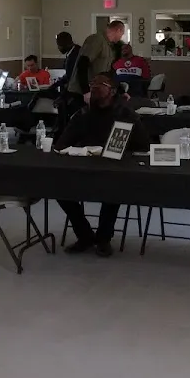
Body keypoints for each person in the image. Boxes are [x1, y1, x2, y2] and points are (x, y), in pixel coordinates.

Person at [55, 74, 150, 257]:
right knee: (59, 189)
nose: (94, 87)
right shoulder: (84, 114)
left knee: (113, 188)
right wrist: (83, 149)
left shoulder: (126, 115)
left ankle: (103, 238)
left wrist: (123, 150)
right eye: (92, 84)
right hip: (84, 167)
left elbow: (143, 146)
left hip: (116, 170)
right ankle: (84, 235)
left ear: (112, 91)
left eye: (100, 84)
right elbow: (62, 143)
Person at [68, 20, 125, 104]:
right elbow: (82, 64)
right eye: (122, 34)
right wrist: (86, 91)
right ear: (118, 30)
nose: (121, 37)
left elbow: (108, 74)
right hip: (81, 93)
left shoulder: (109, 46)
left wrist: (122, 91)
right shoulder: (97, 40)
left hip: (95, 92)